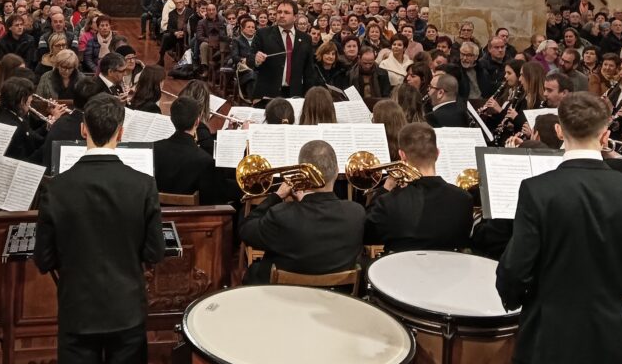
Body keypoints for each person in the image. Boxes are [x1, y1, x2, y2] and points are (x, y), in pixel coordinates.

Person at [497, 92, 622, 364]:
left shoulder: (537, 190)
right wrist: (609, 291)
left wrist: (517, 299)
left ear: (559, 131)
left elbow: (515, 269)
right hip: (604, 332)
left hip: (545, 332)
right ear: (605, 135)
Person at [34, 94, 165, 364]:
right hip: (127, 312)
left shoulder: (56, 188)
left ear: (83, 129)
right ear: (121, 132)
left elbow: (43, 259)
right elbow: (154, 252)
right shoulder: (143, 185)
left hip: (78, 312)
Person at [238, 139, 364, 284]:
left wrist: (276, 196)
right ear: (337, 172)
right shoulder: (356, 213)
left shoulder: (281, 215)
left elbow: (246, 230)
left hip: (286, 295)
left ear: (302, 174)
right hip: (336, 295)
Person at [364, 123, 472, 253]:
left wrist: (385, 189)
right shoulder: (464, 199)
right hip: (449, 265)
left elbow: (367, 234)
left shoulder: (388, 202)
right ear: (437, 153)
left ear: (402, 155)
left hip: (401, 265)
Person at [153, 97, 218, 203]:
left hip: (158, 212)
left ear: (171, 119)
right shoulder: (206, 160)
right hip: (193, 213)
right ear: (197, 122)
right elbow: (210, 201)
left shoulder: (154, 149)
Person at [251, 0, 315, 99]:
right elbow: (249, 58)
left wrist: (309, 95)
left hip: (295, 93)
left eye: (286, 12)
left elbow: (309, 70)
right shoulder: (263, 34)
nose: (281, 15)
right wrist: (256, 59)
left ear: (295, 17)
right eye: (279, 12)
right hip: (268, 93)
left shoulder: (305, 39)